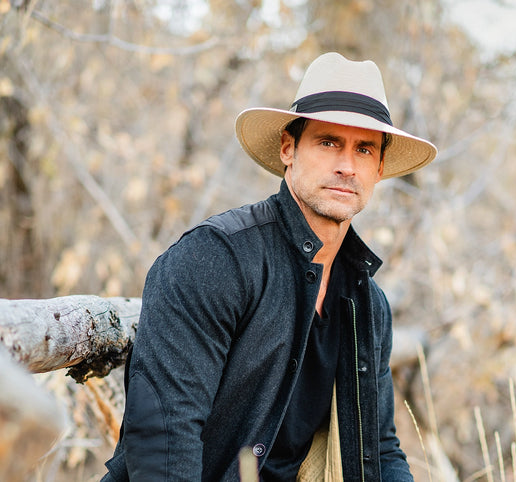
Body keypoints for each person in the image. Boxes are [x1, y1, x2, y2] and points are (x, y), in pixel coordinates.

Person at [102, 52, 437, 481]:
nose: (346, 165)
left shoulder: (368, 305)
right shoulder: (216, 258)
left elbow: (381, 448)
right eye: (328, 141)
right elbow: (162, 439)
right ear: (288, 148)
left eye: (364, 148)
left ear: (380, 167)